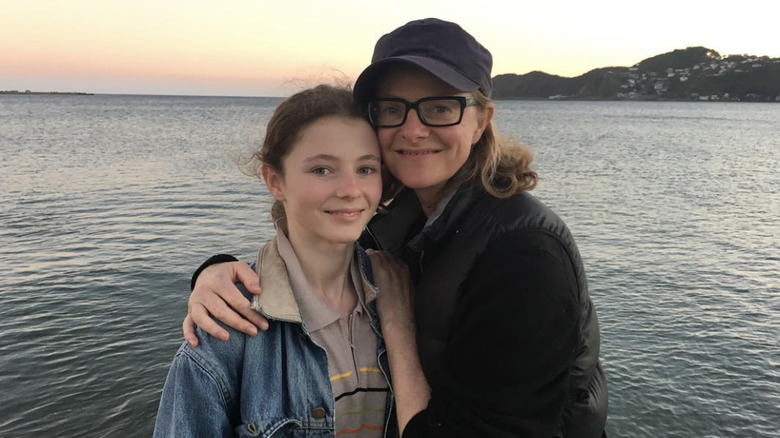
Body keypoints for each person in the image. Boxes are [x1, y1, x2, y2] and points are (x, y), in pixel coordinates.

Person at [185, 18, 609, 437]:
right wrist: (217, 272)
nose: (412, 129)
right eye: (392, 109)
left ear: (480, 121)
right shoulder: (405, 220)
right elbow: (318, 248)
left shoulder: (524, 254)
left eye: (441, 107)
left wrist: (399, 327)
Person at [154, 85, 402, 437]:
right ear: (275, 181)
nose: (350, 189)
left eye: (365, 169)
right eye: (322, 170)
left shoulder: (400, 293)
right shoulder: (227, 330)